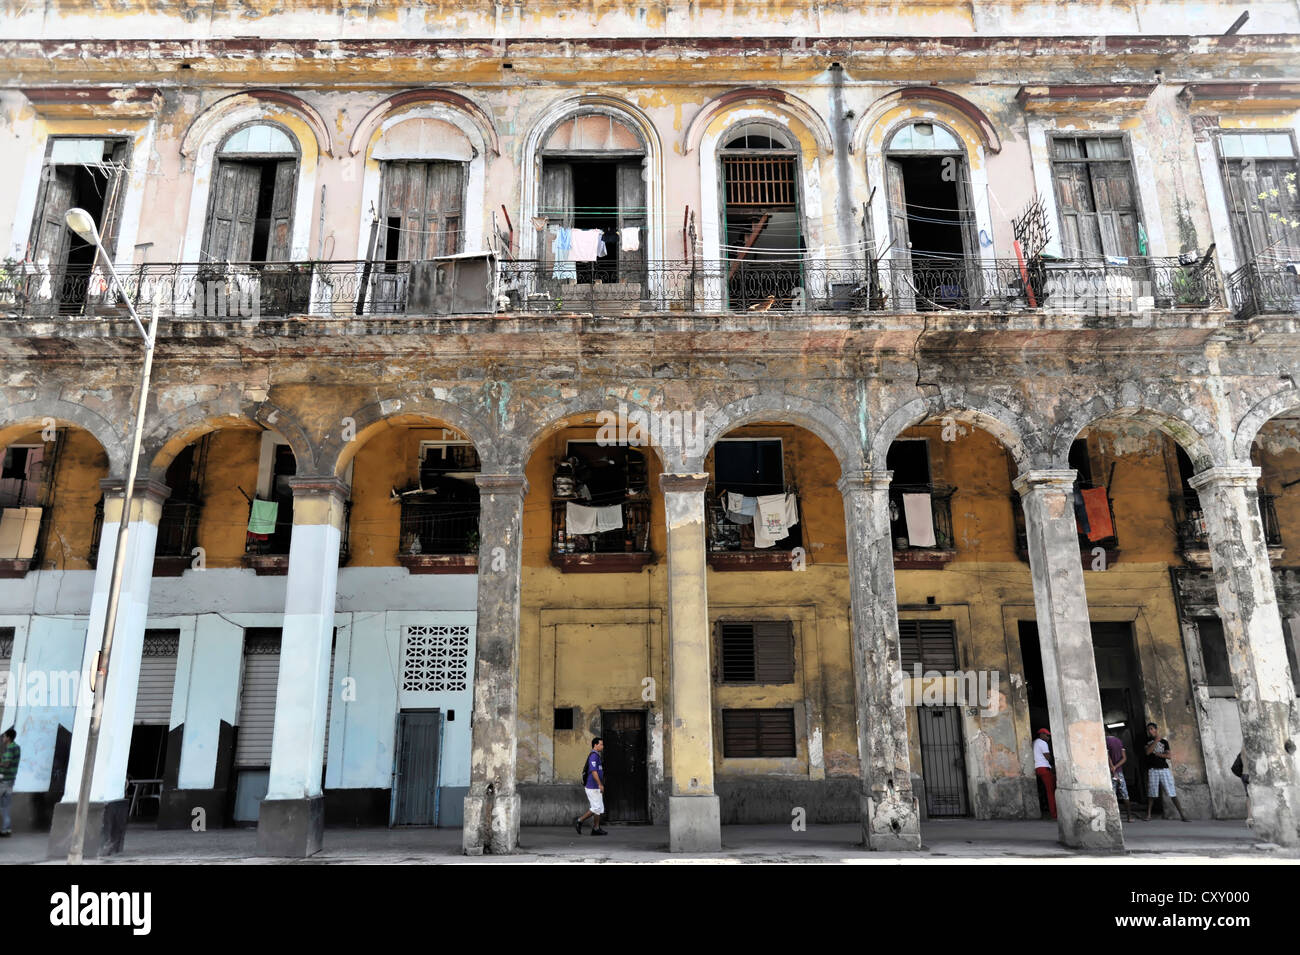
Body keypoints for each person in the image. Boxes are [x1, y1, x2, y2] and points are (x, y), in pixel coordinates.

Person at [1144, 722, 1189, 821]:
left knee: (1172, 792)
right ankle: (1148, 815)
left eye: (1151, 729)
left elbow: (1168, 756)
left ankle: (1182, 815)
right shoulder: (1147, 741)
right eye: (1148, 729)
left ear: (1156, 729)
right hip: (1153, 770)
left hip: (1164, 769)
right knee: (1151, 793)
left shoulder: (1164, 742)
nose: (1150, 731)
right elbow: (1147, 752)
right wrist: (1155, 741)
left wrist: (1158, 755)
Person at [574, 737, 608, 836]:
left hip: (596, 787)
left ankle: (596, 828)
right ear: (595, 745)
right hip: (592, 786)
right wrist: (600, 784)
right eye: (601, 744)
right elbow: (593, 772)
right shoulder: (593, 756)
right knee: (596, 807)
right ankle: (579, 820)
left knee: (599, 808)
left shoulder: (597, 756)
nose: (602, 746)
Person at [1105, 729, 1136, 822]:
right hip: (1120, 772)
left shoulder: (1105, 741)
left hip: (1111, 773)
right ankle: (1129, 817)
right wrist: (1116, 767)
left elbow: (1107, 756)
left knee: (1112, 794)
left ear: (1105, 733)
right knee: (1125, 794)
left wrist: (1112, 767)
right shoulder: (1119, 741)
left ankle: (1113, 817)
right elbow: (1124, 758)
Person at [1033, 727, 1056, 820]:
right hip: (1045, 769)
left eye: (1049, 736)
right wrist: (1053, 762)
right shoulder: (1043, 743)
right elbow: (1047, 757)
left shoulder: (1034, 742)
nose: (1048, 738)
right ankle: (1054, 814)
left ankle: (1047, 809)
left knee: (1045, 791)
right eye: (1047, 735)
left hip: (1038, 769)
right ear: (1041, 735)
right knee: (1051, 792)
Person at [0, 728, 19, 836]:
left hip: (4, 780)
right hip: (11, 779)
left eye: (4, 736)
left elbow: (6, 764)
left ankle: (5, 829)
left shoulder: (10, 748)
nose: (3, 738)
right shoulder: (17, 747)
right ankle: (6, 829)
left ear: (8, 738)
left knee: (4, 806)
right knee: (5, 806)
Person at [1230, 750, 1252, 827]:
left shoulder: (1246, 745)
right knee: (1252, 796)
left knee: (1249, 796)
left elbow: (1242, 754)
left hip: (1245, 774)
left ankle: (1250, 818)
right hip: (1250, 774)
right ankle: (1252, 818)